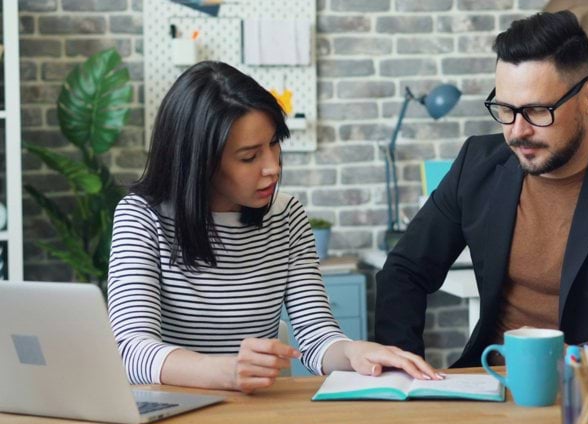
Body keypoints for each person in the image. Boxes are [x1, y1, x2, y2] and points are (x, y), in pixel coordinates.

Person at [375, 11, 588, 382]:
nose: (517, 132)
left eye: (536, 111)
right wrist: (403, 373)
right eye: (506, 109)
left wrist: (583, 360)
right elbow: (405, 270)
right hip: (487, 383)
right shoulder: (477, 165)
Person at [108, 61, 440, 394]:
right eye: (249, 157)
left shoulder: (287, 216)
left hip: (257, 420)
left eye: (274, 143)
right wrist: (224, 372)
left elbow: (316, 336)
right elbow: (129, 349)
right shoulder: (141, 217)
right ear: (200, 162)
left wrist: (353, 351)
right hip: (167, 417)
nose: (272, 168)